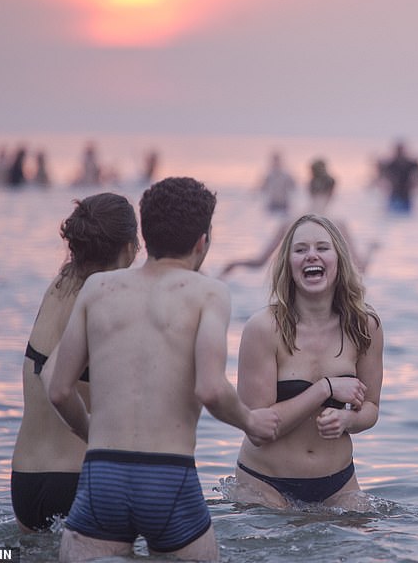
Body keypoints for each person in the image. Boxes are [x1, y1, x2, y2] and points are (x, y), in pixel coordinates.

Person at [48, 176, 281, 562]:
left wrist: (94, 434)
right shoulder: (209, 293)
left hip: (102, 472)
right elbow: (211, 389)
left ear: (145, 233)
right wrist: (251, 422)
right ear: (203, 241)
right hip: (168, 477)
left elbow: (58, 390)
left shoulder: (98, 289)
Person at [230, 213, 383, 509]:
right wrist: (324, 389)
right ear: (288, 264)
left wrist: (348, 419)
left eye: (322, 248)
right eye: (300, 250)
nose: (311, 255)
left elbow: (372, 408)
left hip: (338, 482)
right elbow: (257, 431)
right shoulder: (263, 328)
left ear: (339, 259)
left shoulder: (365, 325)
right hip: (264, 481)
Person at [10, 193, 139, 532]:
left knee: (9, 557)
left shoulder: (57, 287)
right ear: (128, 247)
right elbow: (58, 385)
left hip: (24, 478)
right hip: (76, 478)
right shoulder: (107, 297)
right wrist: (93, 433)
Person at [220, 158, 374, 277]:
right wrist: (370, 249)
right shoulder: (338, 224)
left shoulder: (289, 221)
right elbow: (360, 268)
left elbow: (259, 262)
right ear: (333, 191)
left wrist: (233, 264)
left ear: (308, 189)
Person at [379, 139, 418, 214]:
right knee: (392, 214)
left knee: (405, 215)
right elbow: (383, 174)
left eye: (401, 150)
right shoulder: (391, 164)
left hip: (406, 194)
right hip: (395, 193)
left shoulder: (409, 164)